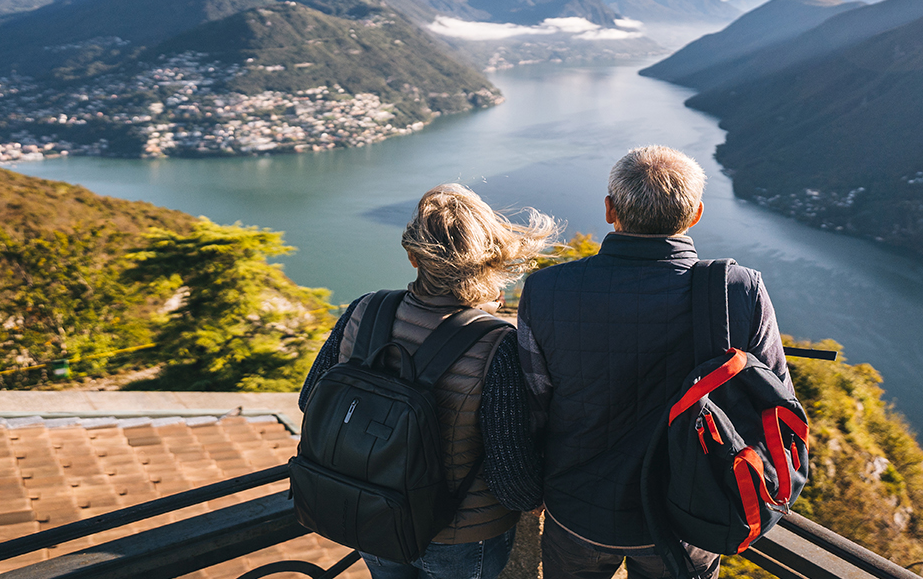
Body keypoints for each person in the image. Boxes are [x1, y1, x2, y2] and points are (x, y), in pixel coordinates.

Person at [517, 146, 791, 579]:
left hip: (578, 509)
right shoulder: (739, 290)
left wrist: (529, 485)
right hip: (687, 515)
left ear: (610, 210)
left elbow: (534, 403)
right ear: (696, 213)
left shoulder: (547, 289)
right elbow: (775, 400)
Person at [300, 184, 555, 579]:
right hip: (461, 534)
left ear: (413, 256)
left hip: (372, 511)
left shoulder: (364, 309)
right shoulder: (498, 344)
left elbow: (311, 401)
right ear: (489, 257)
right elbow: (509, 476)